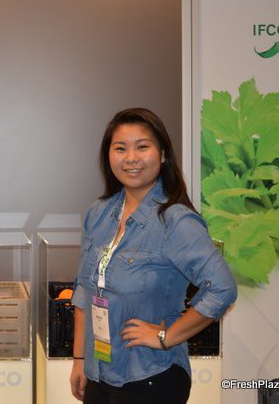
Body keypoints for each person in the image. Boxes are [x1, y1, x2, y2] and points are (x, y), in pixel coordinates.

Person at [69, 107, 237, 404]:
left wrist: (166, 336)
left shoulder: (176, 221)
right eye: (120, 148)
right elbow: (84, 289)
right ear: (108, 156)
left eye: (142, 147)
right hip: (100, 371)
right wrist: (80, 358)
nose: (131, 158)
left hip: (150, 375)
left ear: (162, 155)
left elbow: (222, 288)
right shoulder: (99, 213)